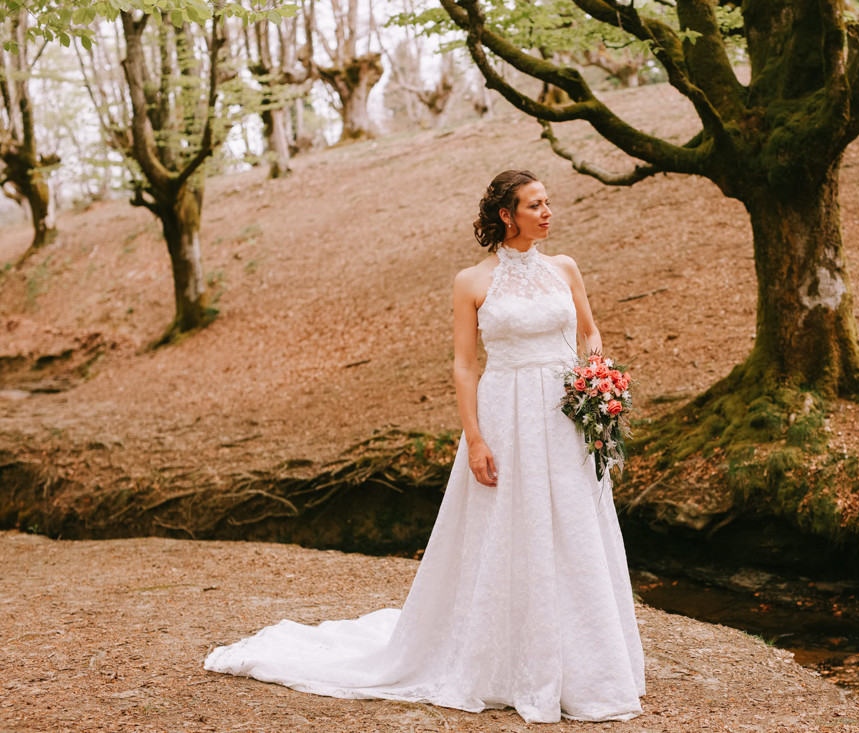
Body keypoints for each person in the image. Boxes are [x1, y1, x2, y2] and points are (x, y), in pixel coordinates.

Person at [204, 170, 645, 723]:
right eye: (536, 205)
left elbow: (590, 331)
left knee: (575, 531)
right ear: (507, 216)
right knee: (510, 531)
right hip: (505, 415)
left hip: (564, 417)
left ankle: (589, 666)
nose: (548, 212)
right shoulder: (472, 281)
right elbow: (464, 365)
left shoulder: (565, 269)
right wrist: (476, 438)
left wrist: (594, 379)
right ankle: (502, 663)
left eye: (548, 203)